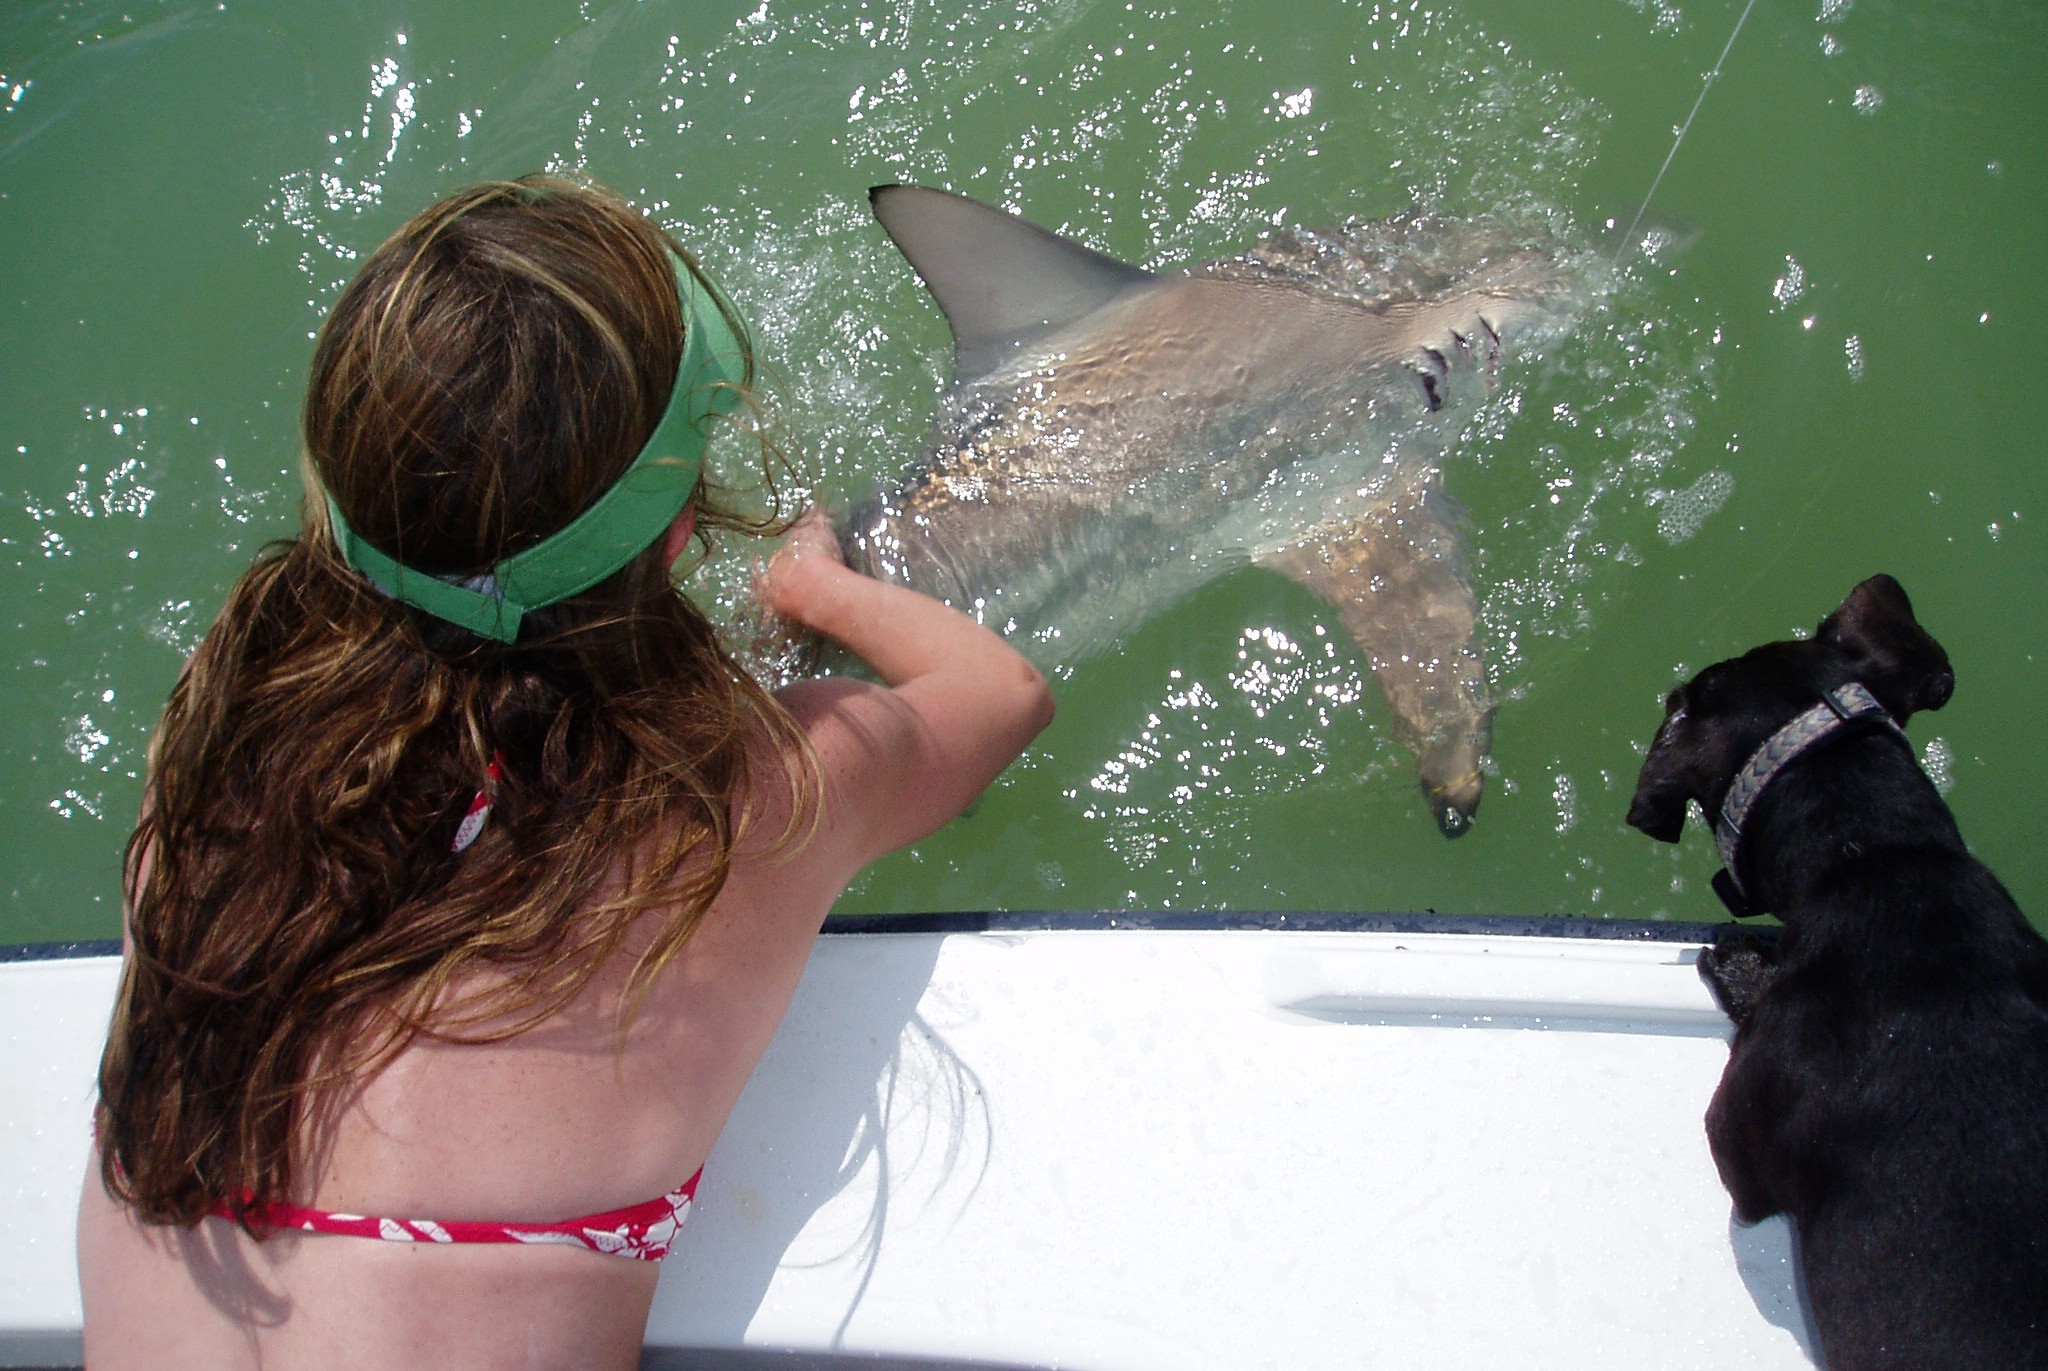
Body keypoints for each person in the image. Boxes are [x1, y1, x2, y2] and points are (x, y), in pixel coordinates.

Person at [76, 174, 1054, 1370]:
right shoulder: (746, 801)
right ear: (683, 527)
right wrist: (817, 590)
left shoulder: (224, 742)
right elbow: (997, 696)